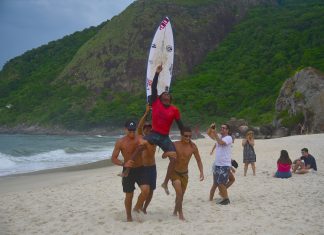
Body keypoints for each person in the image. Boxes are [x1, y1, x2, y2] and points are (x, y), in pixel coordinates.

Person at [122, 65, 184, 196]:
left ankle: (165, 182)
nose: (167, 94)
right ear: (161, 98)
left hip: (165, 137)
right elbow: (153, 87)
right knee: (141, 145)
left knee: (174, 158)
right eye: (165, 94)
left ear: (170, 99)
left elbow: (180, 124)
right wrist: (157, 73)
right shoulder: (156, 103)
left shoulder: (174, 110)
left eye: (169, 95)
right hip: (154, 134)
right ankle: (127, 168)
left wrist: (184, 135)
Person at [111, 120, 145, 222]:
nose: (132, 132)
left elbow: (145, 143)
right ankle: (129, 216)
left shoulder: (139, 138)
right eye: (129, 130)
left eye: (133, 130)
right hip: (128, 170)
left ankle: (137, 208)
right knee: (129, 195)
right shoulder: (120, 142)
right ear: (125, 129)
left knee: (146, 190)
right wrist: (123, 164)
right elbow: (113, 158)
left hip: (140, 169)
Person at [171, 126, 204, 220]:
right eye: (186, 136)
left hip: (185, 174)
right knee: (179, 193)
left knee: (180, 196)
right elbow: (164, 155)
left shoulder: (193, 147)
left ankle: (174, 211)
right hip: (175, 172)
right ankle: (180, 213)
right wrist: (168, 154)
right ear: (181, 135)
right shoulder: (174, 144)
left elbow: (198, 160)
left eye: (190, 136)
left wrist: (201, 171)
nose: (188, 138)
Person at [133, 104, 157, 214]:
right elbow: (138, 127)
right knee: (145, 191)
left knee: (151, 191)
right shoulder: (140, 137)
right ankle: (137, 207)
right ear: (143, 130)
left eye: (149, 128)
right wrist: (146, 113)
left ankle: (144, 208)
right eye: (145, 128)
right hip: (143, 168)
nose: (147, 129)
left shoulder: (154, 138)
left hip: (152, 167)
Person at [207, 123, 232, 205]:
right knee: (217, 183)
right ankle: (222, 196)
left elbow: (221, 142)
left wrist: (215, 133)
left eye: (224, 128)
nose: (222, 129)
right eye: (221, 128)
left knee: (221, 183)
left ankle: (226, 199)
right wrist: (211, 128)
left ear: (227, 130)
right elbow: (208, 134)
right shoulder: (220, 137)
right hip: (218, 164)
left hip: (224, 164)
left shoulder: (229, 138)